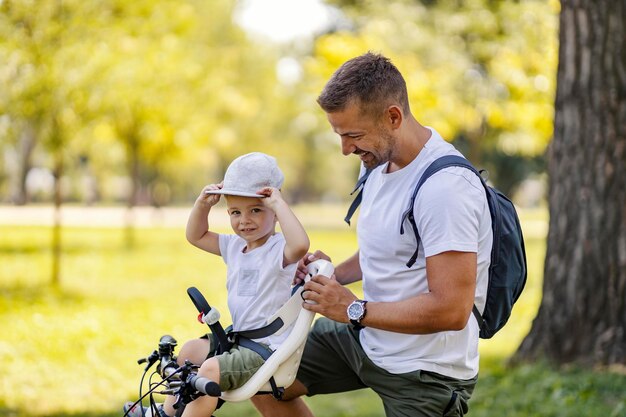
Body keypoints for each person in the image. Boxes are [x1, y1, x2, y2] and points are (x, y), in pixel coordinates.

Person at [252, 52, 493, 417]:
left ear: (393, 117)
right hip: (366, 339)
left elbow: (452, 309)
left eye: (353, 135)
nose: (346, 149)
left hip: (424, 370)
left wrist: (349, 307)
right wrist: (333, 273)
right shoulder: (379, 165)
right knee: (261, 375)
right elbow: (391, 247)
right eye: (339, 135)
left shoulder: (446, 188)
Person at [125, 152, 310, 417]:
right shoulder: (235, 246)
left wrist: (280, 204)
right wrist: (203, 204)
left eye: (255, 210)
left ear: (275, 211)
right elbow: (195, 235)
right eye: (235, 212)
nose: (244, 220)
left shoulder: (279, 249)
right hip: (238, 341)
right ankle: (166, 414)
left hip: (265, 350)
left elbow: (301, 244)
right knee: (190, 351)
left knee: (210, 369)